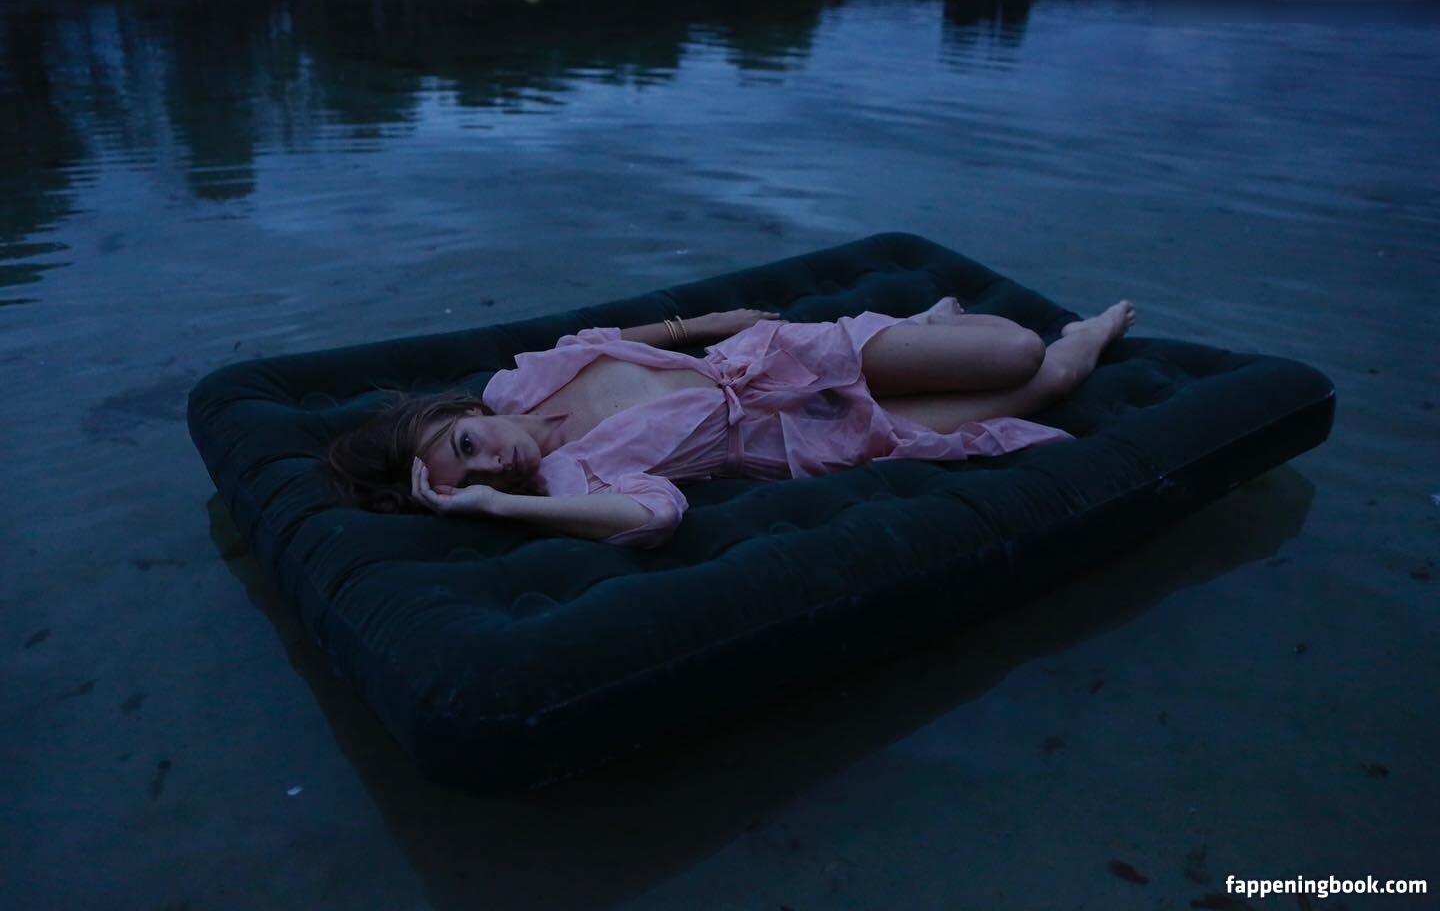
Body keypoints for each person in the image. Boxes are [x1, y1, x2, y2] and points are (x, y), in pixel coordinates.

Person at [324, 296, 1136, 548]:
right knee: (1053, 372)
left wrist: (712, 321)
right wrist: (499, 507)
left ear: (462, 413)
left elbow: (600, 339)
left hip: (782, 358)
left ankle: (924, 324)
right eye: (472, 477)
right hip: (817, 437)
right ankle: (1089, 332)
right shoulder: (569, 481)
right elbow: (657, 517)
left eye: (468, 446)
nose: (492, 461)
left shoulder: (517, 381)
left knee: (1012, 349)